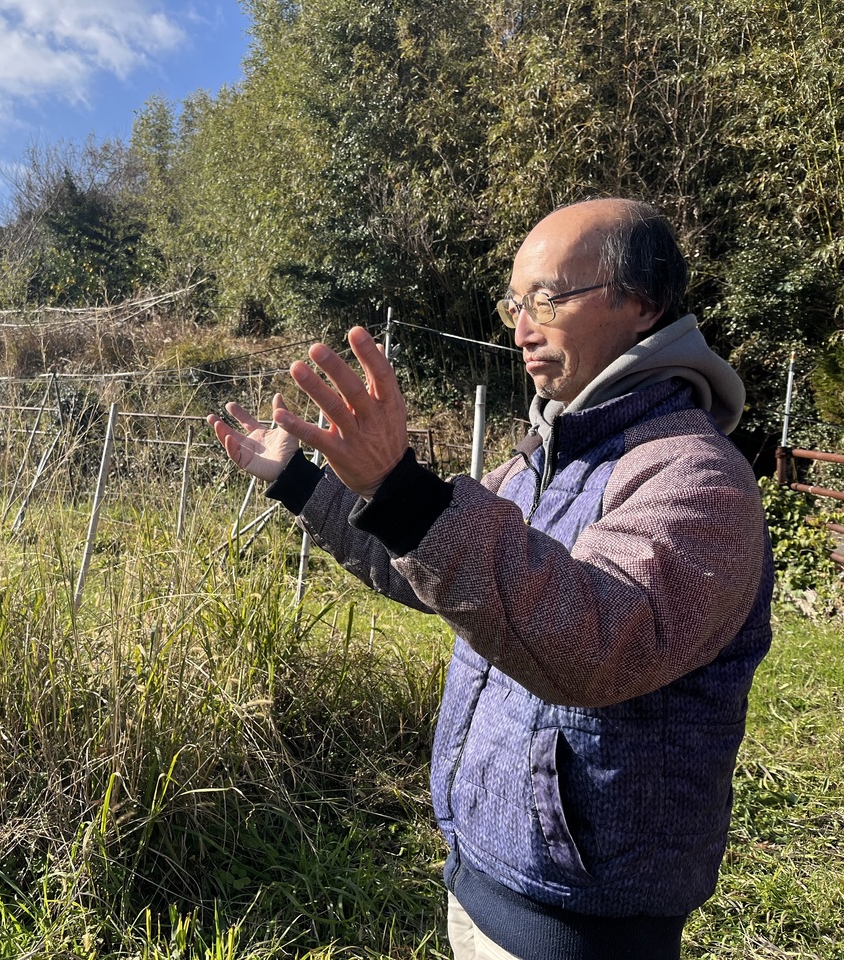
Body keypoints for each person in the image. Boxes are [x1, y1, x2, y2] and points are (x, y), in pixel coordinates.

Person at [207, 198, 772, 959]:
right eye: (515, 303)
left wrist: (402, 487)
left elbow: (593, 644)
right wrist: (301, 483)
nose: (522, 328)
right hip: (481, 872)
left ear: (643, 302)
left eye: (549, 298)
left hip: (583, 923)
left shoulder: (695, 476)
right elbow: (428, 569)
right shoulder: (547, 459)